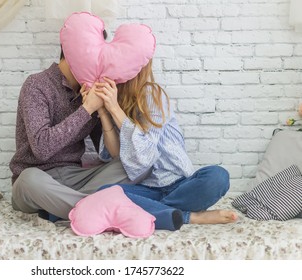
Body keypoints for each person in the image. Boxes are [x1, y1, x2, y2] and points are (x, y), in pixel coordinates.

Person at [83, 59, 238, 231]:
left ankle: (153, 211)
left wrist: (114, 109)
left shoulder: (151, 94)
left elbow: (146, 154)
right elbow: (115, 155)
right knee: (105, 192)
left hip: (179, 184)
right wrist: (104, 112)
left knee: (218, 176)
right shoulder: (114, 98)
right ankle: (190, 216)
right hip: (143, 189)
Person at [9, 31, 141, 221]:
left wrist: (104, 111)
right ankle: (93, 209)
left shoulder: (89, 89)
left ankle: (72, 208)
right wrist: (87, 109)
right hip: (37, 179)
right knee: (28, 180)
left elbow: (109, 153)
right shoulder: (36, 84)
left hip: (75, 179)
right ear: (76, 52)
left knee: (135, 165)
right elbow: (42, 148)